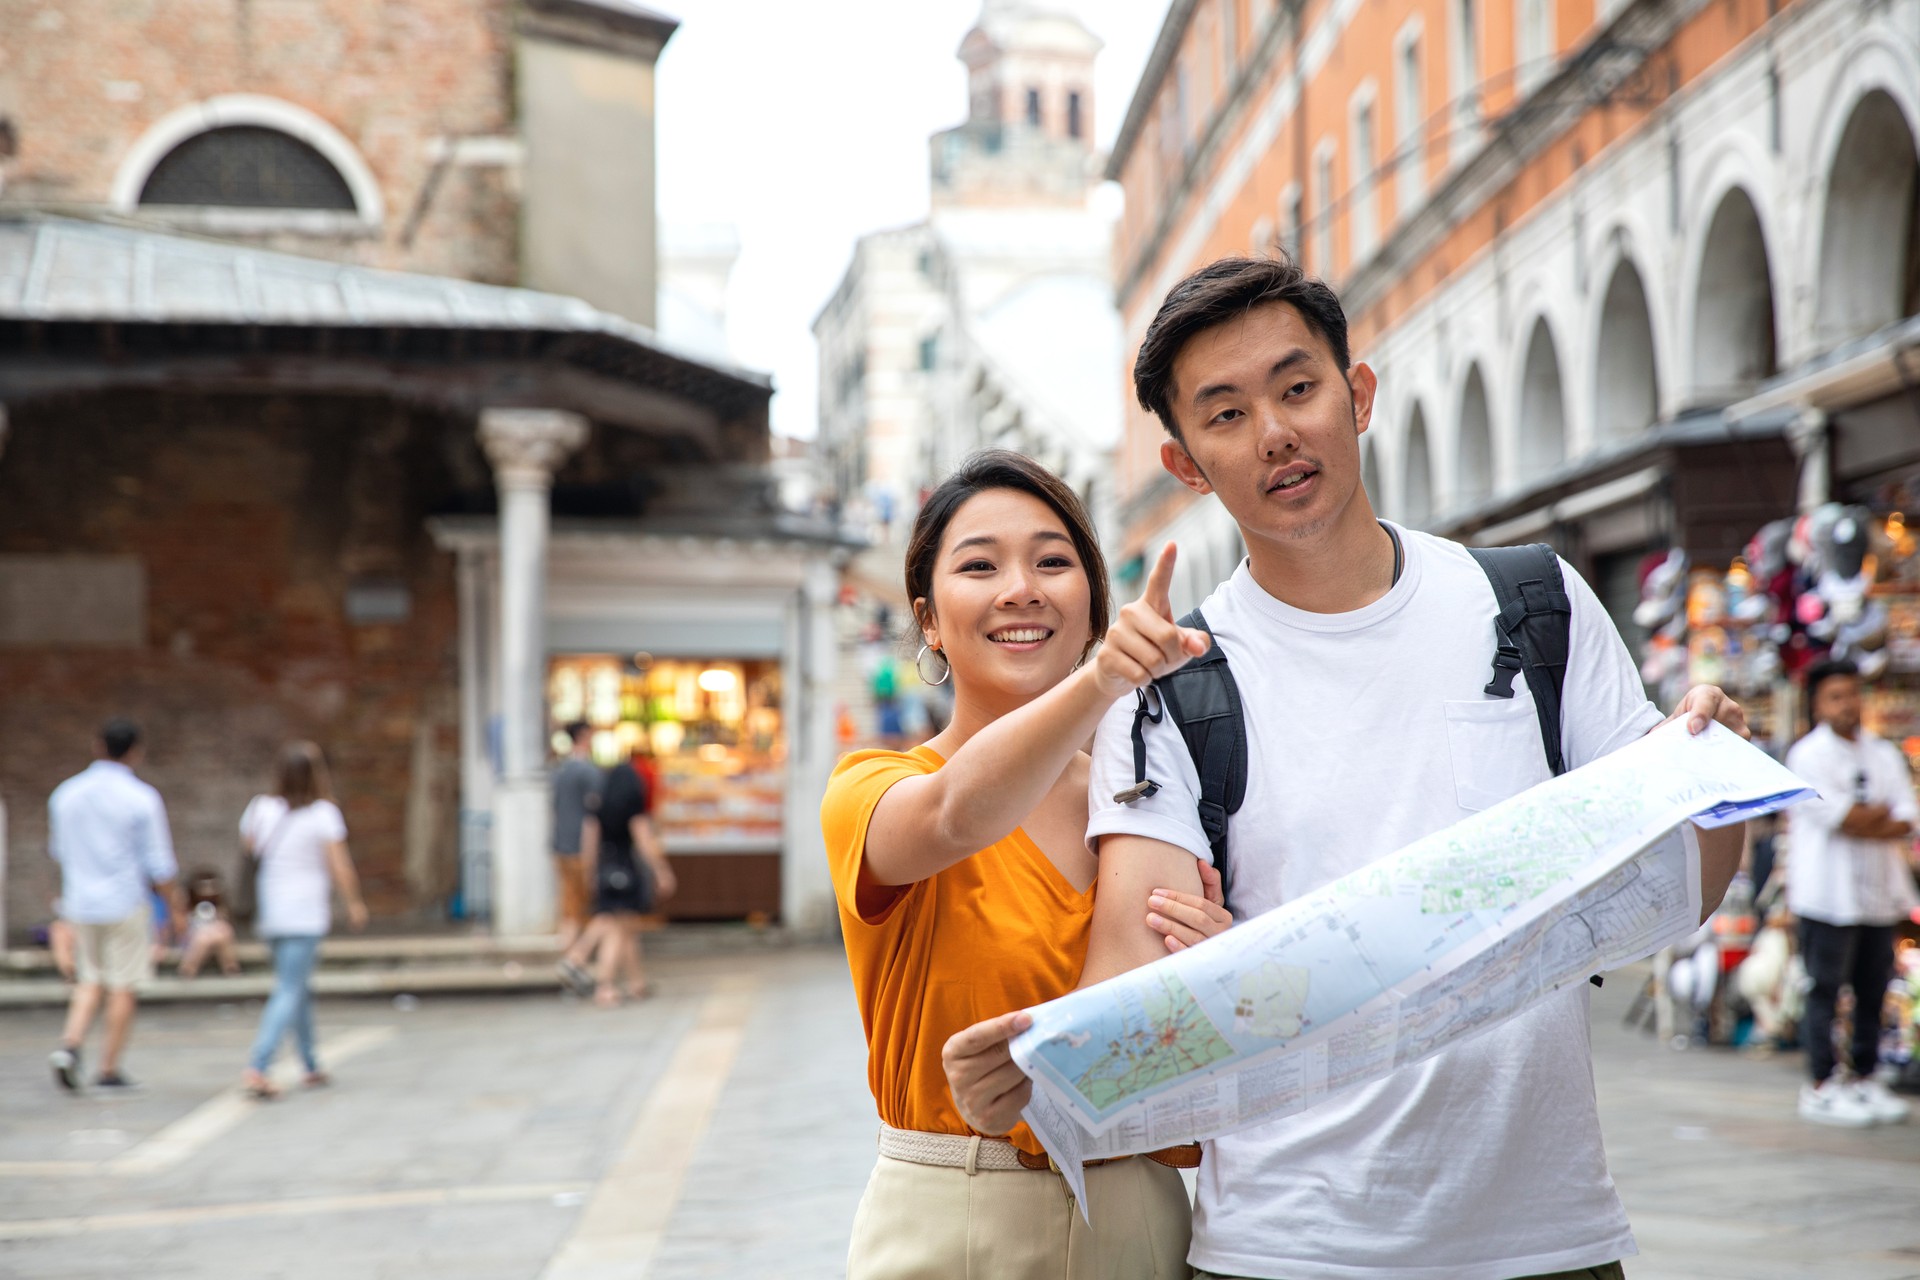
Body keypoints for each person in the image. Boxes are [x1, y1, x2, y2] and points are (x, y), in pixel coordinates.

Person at [945, 255, 1750, 1280]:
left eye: (1297, 387)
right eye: (1226, 413)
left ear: (1357, 394)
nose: (1276, 432)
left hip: (1548, 1236)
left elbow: (1679, 891)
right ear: (1186, 462)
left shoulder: (1532, 604)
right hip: (1285, 1246)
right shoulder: (1173, 685)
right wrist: (1038, 1064)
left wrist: (1713, 782)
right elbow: (1127, 972)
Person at [822, 450, 1233, 1280]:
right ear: (929, 619)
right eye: (980, 566)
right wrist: (1104, 683)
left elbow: (1176, 1069)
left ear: (1090, 605)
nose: (1022, 588)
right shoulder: (875, 788)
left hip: (1142, 1212)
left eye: (1053, 562)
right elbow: (954, 814)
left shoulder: (1156, 800)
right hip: (960, 1215)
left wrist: (1222, 970)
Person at [1784, 657, 1917, 1127]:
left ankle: (1865, 1077)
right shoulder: (1807, 756)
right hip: (1828, 896)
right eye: (1836, 696)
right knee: (1823, 989)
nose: (1848, 705)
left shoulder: (1881, 752)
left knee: (1872, 990)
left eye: (1852, 694)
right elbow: (1842, 818)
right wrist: (1874, 819)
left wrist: (1870, 821)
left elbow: (1907, 817)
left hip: (1878, 895)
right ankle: (1821, 1083)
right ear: (1818, 704)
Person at [47, 718, 182, 1093]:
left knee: (90, 979)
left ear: (97, 746)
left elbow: (58, 851)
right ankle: (108, 1066)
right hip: (124, 900)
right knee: (123, 984)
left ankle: (70, 1045)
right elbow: (160, 863)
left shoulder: (65, 794)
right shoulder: (141, 797)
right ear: (136, 752)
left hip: (79, 901)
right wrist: (174, 909)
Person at [239, 741, 368, 1099]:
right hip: (305, 912)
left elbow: (249, 847)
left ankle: (310, 1063)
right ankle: (259, 1065)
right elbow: (339, 865)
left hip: (272, 911)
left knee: (296, 987)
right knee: (289, 988)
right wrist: (354, 903)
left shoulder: (261, 808)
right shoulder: (323, 814)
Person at [574, 757, 675, 1007]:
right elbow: (644, 842)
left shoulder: (597, 804)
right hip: (626, 872)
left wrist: (588, 873)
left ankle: (635, 982)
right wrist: (661, 871)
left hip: (604, 869)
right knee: (618, 929)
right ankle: (600, 981)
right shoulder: (633, 805)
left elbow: (589, 843)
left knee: (627, 929)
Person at [550, 721, 602, 950]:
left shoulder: (559, 770)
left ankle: (569, 949)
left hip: (560, 842)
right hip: (582, 845)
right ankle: (575, 955)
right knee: (586, 904)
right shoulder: (588, 771)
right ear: (584, 736)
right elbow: (594, 815)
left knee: (568, 902)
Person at [176, 870, 241, 979]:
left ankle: (231, 969)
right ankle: (188, 970)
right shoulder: (187, 908)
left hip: (217, 939)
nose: (207, 891)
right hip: (194, 940)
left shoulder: (220, 908)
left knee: (223, 930)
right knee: (204, 938)